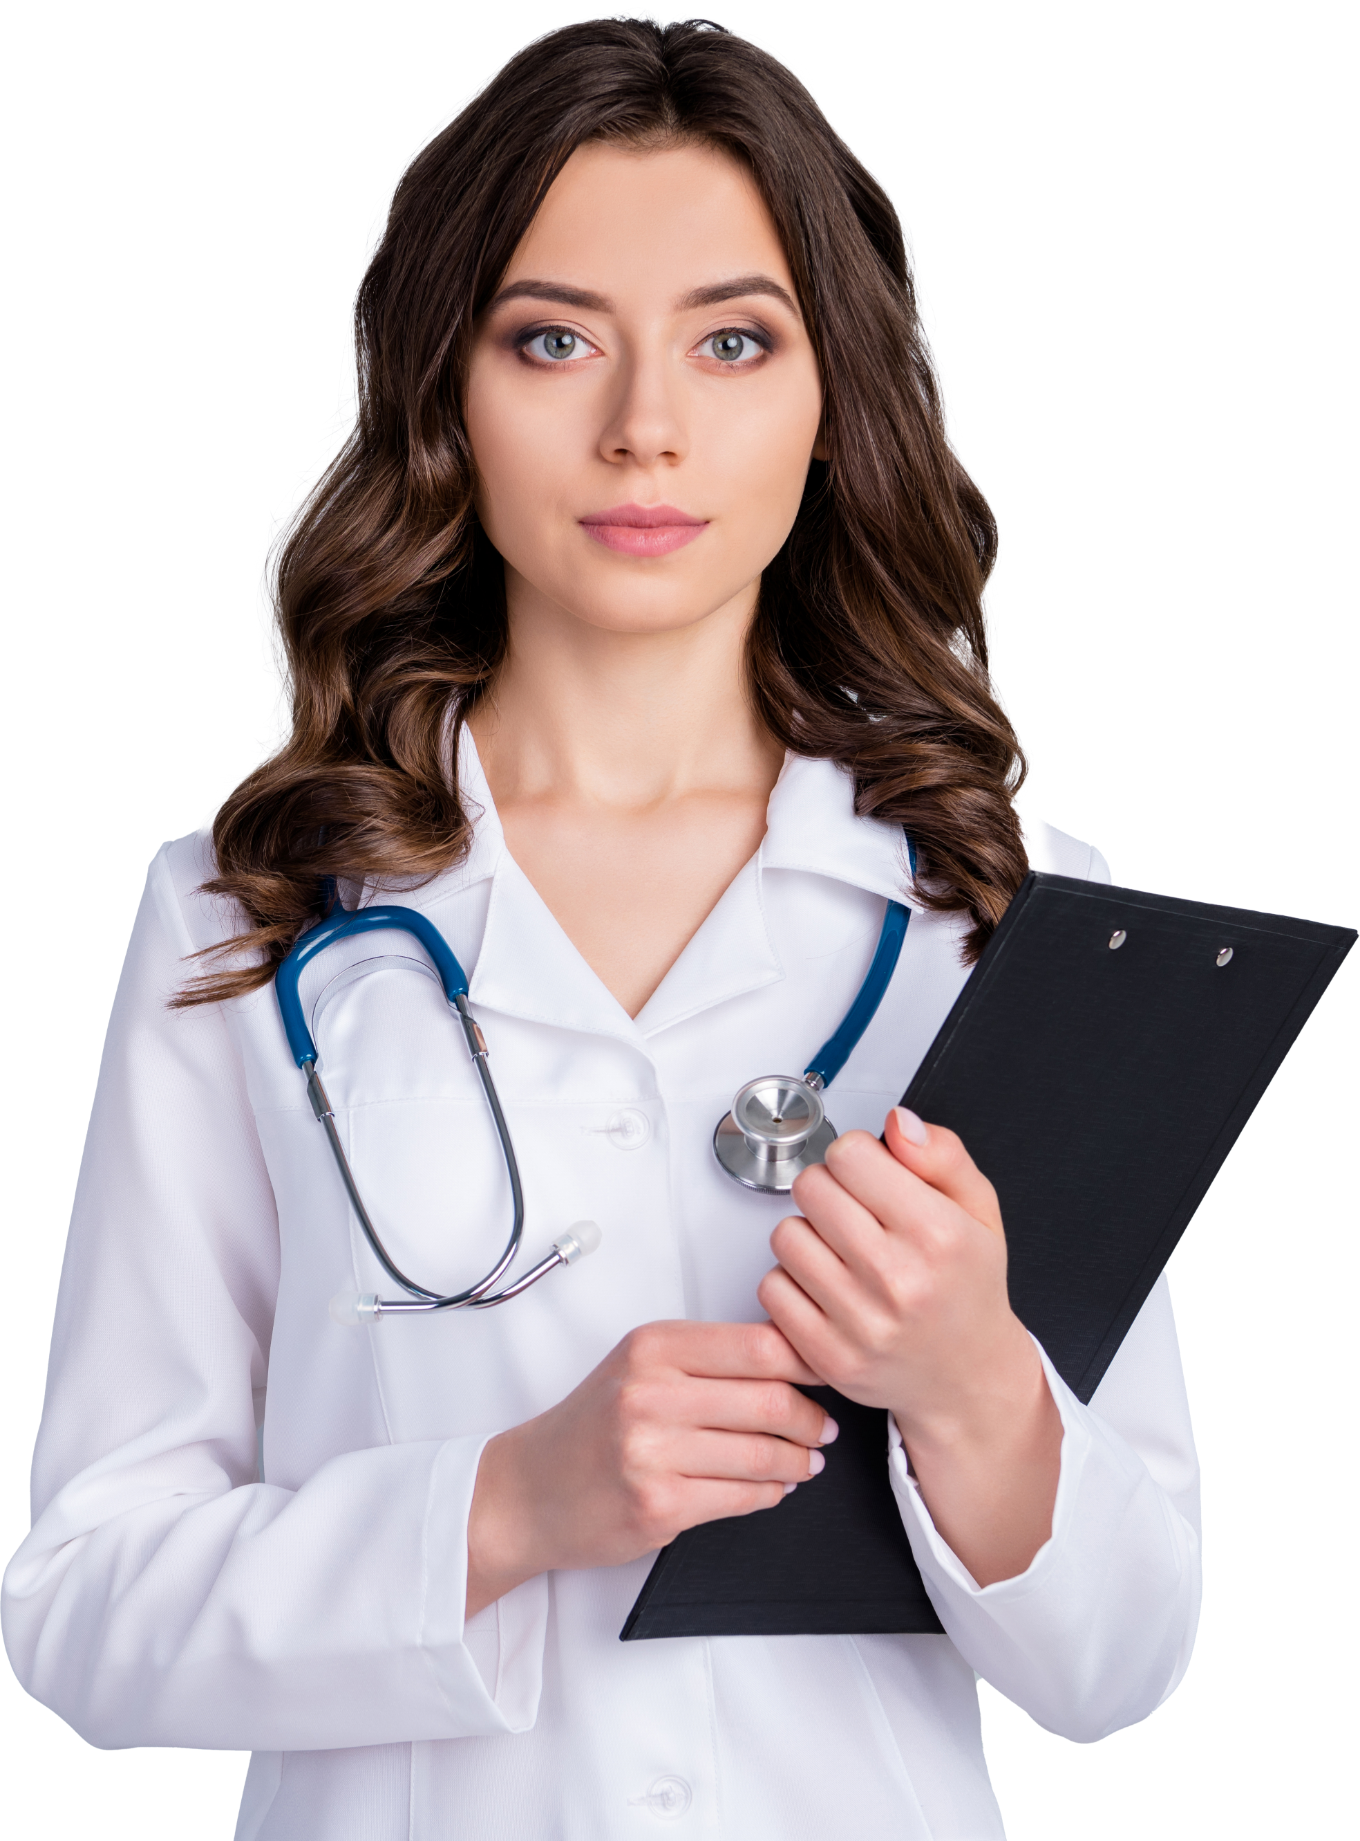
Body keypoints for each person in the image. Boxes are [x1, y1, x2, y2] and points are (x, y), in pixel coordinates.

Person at [0, 14, 1201, 1839]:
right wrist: (508, 1507)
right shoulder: (250, 919)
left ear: (834, 398)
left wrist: (974, 1387)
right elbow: (89, 1610)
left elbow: (1122, 1664)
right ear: (445, 393)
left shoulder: (1012, 920)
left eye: (734, 341)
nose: (645, 427)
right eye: (553, 339)